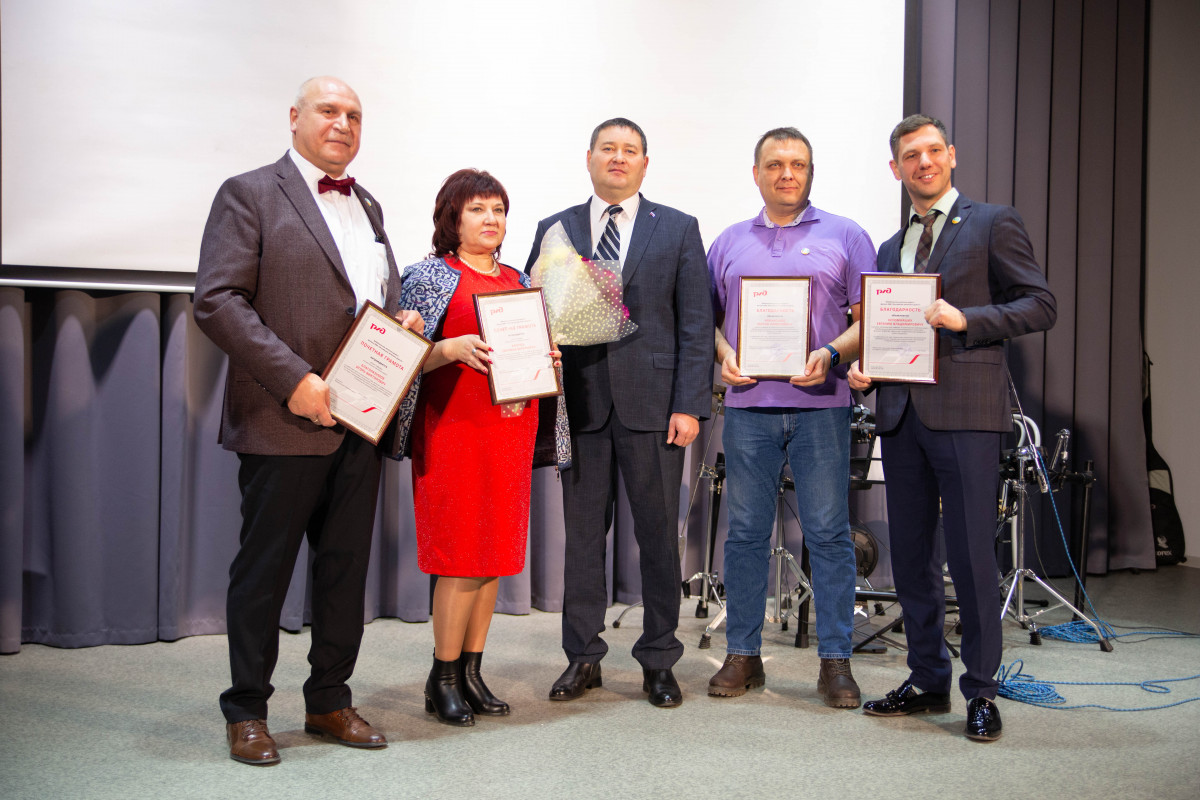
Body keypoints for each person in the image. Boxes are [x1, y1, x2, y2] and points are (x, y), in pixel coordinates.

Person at [195, 76, 423, 765]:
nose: (343, 124)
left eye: (354, 114)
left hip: (361, 421)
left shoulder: (369, 203)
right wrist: (294, 380)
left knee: (344, 571)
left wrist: (399, 323)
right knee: (263, 572)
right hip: (284, 416)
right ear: (294, 117)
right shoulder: (248, 193)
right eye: (329, 110)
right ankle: (247, 711)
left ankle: (328, 700)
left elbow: (361, 301)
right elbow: (218, 300)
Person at [850, 114, 1056, 741]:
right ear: (896, 169)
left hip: (967, 414)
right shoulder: (890, 248)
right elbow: (888, 330)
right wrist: (866, 368)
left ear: (952, 156)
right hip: (900, 416)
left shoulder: (992, 222)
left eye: (933, 150)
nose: (924, 162)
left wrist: (967, 319)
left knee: (969, 557)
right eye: (911, 155)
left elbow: (1040, 304)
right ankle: (926, 679)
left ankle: (982, 691)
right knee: (912, 559)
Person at [524, 118, 713, 708]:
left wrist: (689, 405)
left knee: (657, 539)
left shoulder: (678, 227)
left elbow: (695, 324)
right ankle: (583, 656)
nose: (618, 158)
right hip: (579, 406)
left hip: (655, 410)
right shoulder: (555, 228)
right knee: (582, 541)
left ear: (644, 164)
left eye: (630, 150)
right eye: (608, 148)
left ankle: (659, 659)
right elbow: (531, 312)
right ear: (589, 158)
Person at [706, 127, 874, 707]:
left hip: (821, 407)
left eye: (798, 164)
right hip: (749, 408)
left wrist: (830, 353)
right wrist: (724, 355)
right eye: (775, 164)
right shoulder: (728, 241)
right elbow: (707, 321)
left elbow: (869, 319)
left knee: (828, 534)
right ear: (756, 173)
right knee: (746, 535)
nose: (786, 173)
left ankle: (835, 662)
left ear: (810, 172)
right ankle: (743, 655)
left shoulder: (847, 235)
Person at [394, 169, 568, 727]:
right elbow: (399, 355)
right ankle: (441, 678)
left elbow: (529, 350)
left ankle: (471, 672)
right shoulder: (429, 276)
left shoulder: (520, 279)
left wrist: (547, 359)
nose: (491, 219)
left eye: (498, 209)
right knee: (459, 557)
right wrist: (449, 349)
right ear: (453, 217)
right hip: (453, 431)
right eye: (477, 209)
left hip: (510, 432)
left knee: (492, 557)